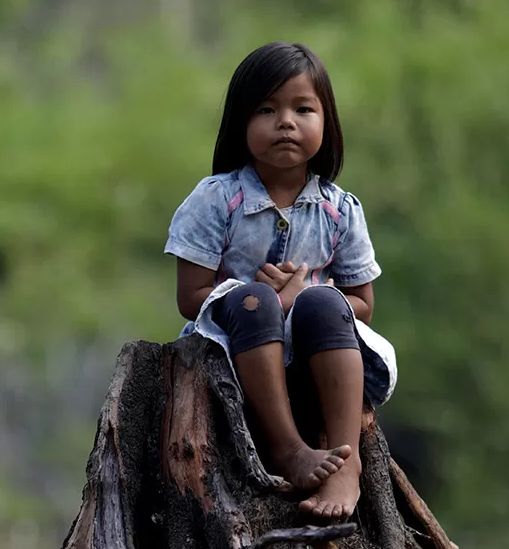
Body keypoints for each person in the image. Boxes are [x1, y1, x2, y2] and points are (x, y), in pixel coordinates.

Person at [165, 41, 395, 521]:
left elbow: (362, 303)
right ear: (240, 123)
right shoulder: (217, 200)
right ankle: (288, 448)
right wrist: (268, 297)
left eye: (302, 108)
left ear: (325, 122)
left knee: (325, 303)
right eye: (267, 109)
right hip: (236, 342)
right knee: (253, 301)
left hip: (317, 340)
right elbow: (191, 299)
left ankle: (345, 464)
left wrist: (301, 297)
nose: (286, 121)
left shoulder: (340, 210)